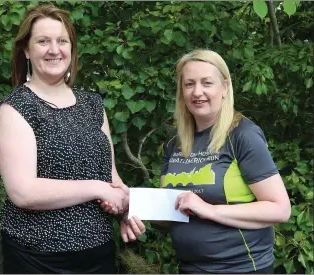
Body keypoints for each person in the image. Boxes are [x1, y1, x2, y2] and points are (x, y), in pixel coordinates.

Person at [117, 49, 291, 274]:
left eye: (206, 83)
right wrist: (132, 207)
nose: (197, 92)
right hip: (190, 268)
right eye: (189, 84)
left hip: (241, 268)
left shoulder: (242, 135)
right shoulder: (174, 142)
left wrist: (208, 209)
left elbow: (279, 209)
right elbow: (171, 214)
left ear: (224, 87)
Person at [0, 4, 128, 274]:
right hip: (38, 258)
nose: (54, 49)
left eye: (62, 41)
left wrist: (124, 207)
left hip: (99, 254)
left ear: (72, 49)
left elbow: (111, 177)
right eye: (43, 41)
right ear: (27, 51)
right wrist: (97, 188)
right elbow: (23, 192)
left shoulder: (93, 106)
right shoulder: (16, 108)